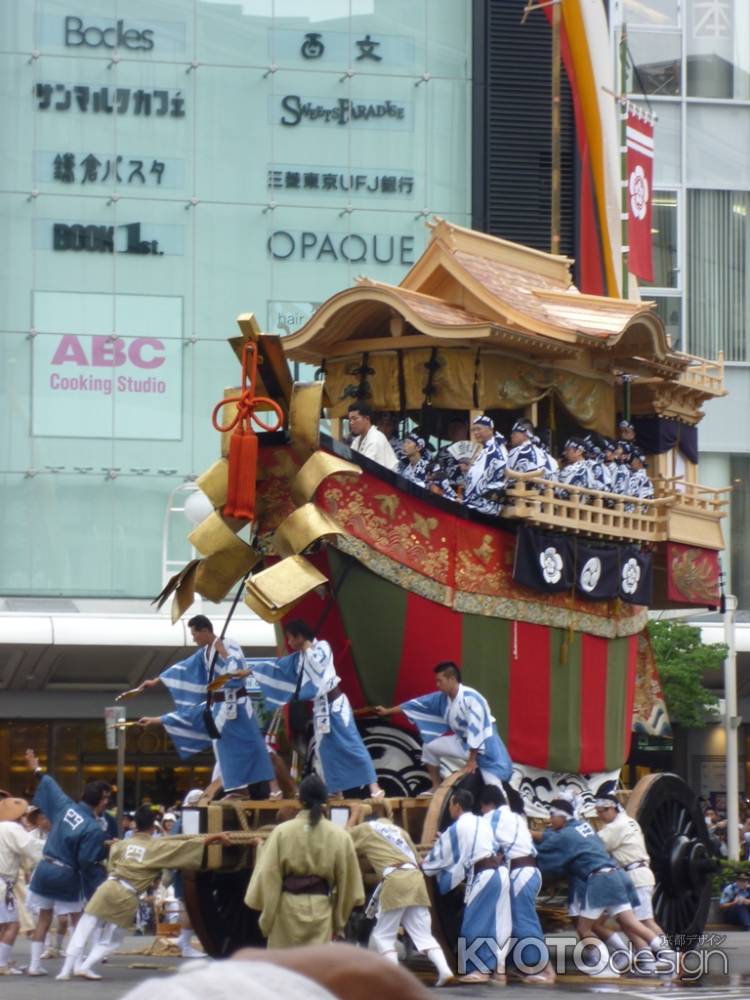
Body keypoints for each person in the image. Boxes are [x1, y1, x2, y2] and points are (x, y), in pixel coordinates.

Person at [56, 805, 230, 981]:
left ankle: (65, 970)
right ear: (153, 827)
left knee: (84, 926)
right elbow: (182, 848)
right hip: (127, 894)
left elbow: (111, 866)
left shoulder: (121, 844)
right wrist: (211, 838)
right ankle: (85, 966)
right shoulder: (157, 847)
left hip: (108, 886)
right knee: (112, 939)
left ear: (134, 825)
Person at [138, 614, 275, 799]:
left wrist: (224, 652)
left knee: (255, 746)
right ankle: (239, 789)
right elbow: (184, 667)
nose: (194, 639)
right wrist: (157, 680)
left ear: (205, 631)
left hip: (235, 704)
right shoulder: (205, 652)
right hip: (218, 706)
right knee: (224, 749)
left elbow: (240, 670)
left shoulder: (228, 644)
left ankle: (268, 789)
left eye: (195, 634)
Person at [535, 799, 667, 975]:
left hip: (613, 877)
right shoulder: (590, 826)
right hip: (619, 875)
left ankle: (609, 964)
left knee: (589, 927)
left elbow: (556, 841)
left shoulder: (612, 827)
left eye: (602, 811)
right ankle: (660, 956)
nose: (600, 816)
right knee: (628, 923)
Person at [252, 621, 384, 799]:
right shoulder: (298, 657)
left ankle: (374, 788)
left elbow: (318, 669)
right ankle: (336, 790)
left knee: (352, 745)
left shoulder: (322, 647)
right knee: (325, 752)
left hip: (335, 704)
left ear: (300, 636)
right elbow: (277, 668)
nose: (289, 642)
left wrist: (308, 649)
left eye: (291, 637)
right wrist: (250, 671)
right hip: (320, 709)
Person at [244, 775, 365, 947]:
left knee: (284, 967)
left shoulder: (281, 832)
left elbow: (269, 874)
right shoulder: (339, 835)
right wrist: (338, 920)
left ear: (299, 799)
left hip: (286, 908)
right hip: (321, 908)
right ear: (325, 799)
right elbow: (348, 882)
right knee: (315, 968)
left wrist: (267, 915)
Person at [24, 749, 111, 977]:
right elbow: (86, 860)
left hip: (44, 868)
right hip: (66, 874)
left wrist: (36, 767)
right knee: (77, 918)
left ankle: (34, 965)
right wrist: (105, 851)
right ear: (101, 801)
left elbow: (50, 784)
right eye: (106, 798)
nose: (106, 802)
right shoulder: (92, 828)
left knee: (44, 916)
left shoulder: (66, 806)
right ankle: (78, 964)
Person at [375, 661, 512, 797]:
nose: (437, 685)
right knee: (429, 747)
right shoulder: (442, 698)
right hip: (463, 743)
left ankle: (506, 814)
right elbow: (416, 704)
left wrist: (471, 761)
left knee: (494, 788)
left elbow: (476, 731)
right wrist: (388, 711)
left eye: (440, 681)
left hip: (485, 747)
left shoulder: (472, 698)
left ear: (452, 679)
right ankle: (436, 785)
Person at [348, 816, 453, 986]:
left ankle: (395, 979)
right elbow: (419, 861)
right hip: (416, 880)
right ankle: (444, 970)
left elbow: (344, 840)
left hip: (395, 880)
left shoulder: (367, 828)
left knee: (383, 936)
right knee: (423, 935)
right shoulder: (400, 832)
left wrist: (353, 816)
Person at [422, 788, 511, 985]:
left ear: (456, 806)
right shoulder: (482, 821)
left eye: (451, 805)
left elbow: (439, 856)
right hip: (500, 872)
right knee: (495, 924)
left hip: (484, 874)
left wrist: (424, 863)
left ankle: (479, 970)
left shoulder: (457, 827)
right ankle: (498, 971)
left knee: (473, 924)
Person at [478, 786, 554, 984]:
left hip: (520, 872)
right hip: (529, 871)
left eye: (482, 807)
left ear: (489, 804)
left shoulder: (492, 817)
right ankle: (532, 967)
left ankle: (543, 971)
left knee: (523, 921)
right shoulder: (516, 817)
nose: (482, 812)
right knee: (522, 920)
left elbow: (482, 842)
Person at [0, 797, 44, 975]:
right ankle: (1, 964)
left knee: (3, 925)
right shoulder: (12, 828)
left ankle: (2, 960)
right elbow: (30, 847)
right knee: (13, 925)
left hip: (4, 881)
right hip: (3, 882)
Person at [461, 415, 508, 515]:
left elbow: (480, 481)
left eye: (478, 429)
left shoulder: (493, 451)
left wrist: (466, 500)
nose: (475, 433)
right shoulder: (490, 448)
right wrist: (467, 471)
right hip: (483, 501)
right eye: (473, 430)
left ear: (490, 430)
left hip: (485, 504)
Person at [348, 403, 398, 471]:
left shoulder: (376, 438)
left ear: (367, 419)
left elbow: (368, 468)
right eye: (350, 420)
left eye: (355, 419)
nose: (351, 422)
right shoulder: (356, 440)